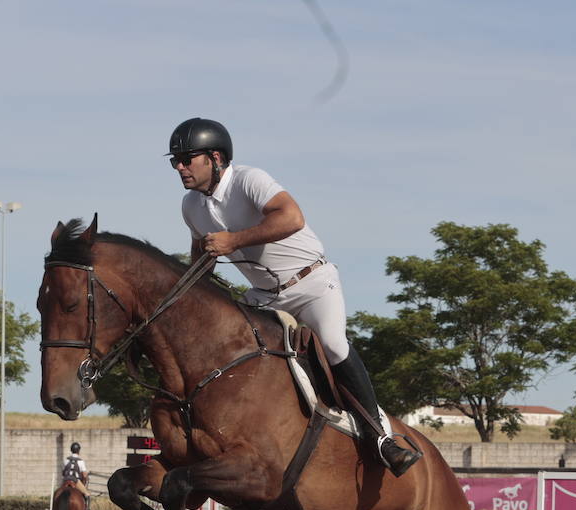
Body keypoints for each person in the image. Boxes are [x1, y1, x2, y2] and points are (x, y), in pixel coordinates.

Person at [166, 117, 420, 476]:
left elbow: (292, 218)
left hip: (311, 284)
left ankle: (382, 438)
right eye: (174, 160)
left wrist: (234, 241)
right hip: (263, 297)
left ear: (216, 157)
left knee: (332, 345)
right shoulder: (191, 206)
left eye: (187, 158)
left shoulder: (249, 180)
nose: (179, 167)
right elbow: (202, 258)